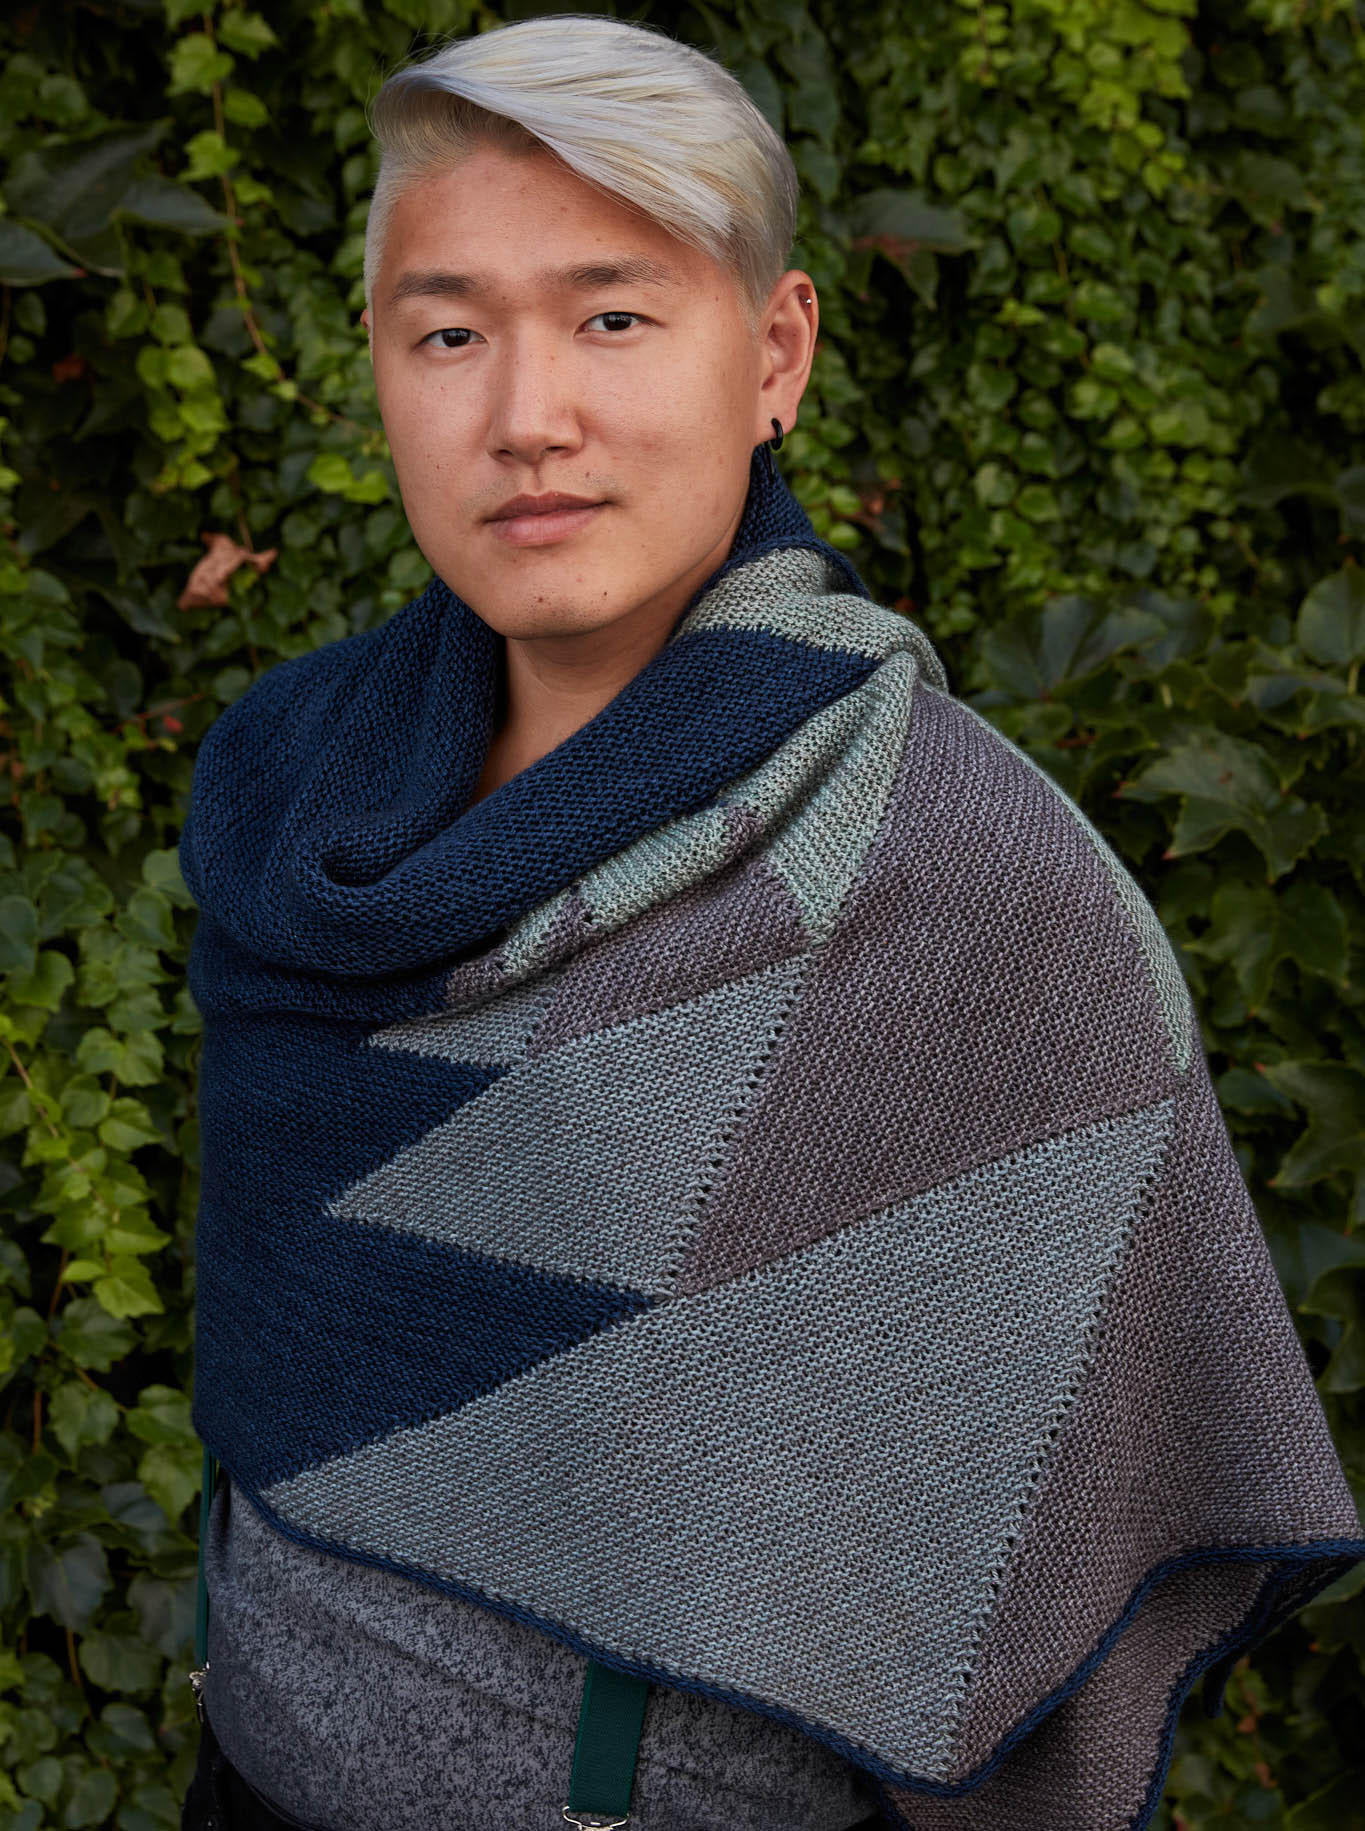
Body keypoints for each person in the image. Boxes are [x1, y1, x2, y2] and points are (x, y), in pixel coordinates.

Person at [176, 14, 1363, 1831]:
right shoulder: (283, 792)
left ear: (775, 355)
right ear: (380, 368)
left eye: (612, 316)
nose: (527, 416)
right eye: (449, 333)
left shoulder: (964, 875)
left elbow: (1081, 1465)